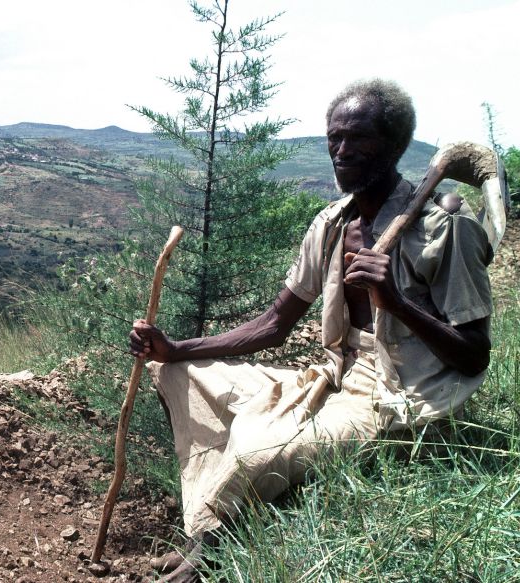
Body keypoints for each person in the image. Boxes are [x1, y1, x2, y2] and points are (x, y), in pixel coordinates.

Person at [129, 79, 493, 582]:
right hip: (336, 376)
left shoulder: (444, 230)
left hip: (400, 395)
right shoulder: (332, 224)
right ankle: (209, 520)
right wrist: (175, 348)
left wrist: (396, 304)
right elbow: (275, 323)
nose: (341, 152)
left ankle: (209, 549)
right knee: (182, 376)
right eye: (333, 138)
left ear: (393, 146)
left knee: (257, 448)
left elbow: (474, 356)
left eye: (358, 139)